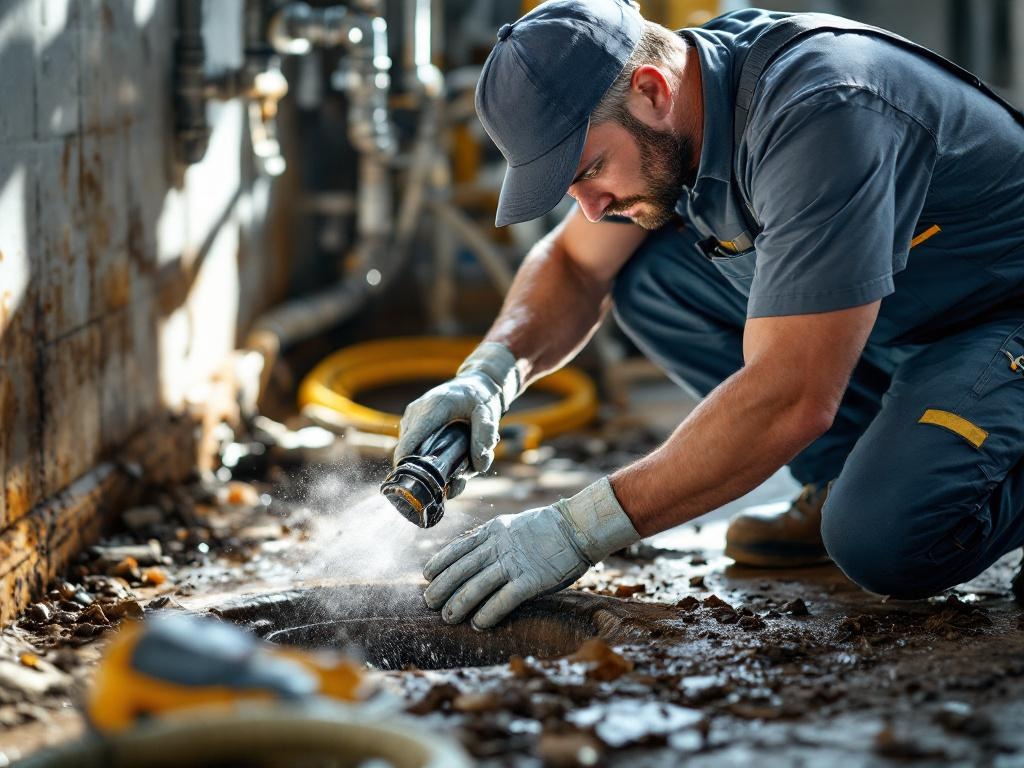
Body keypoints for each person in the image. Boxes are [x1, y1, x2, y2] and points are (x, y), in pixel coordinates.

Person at [395, 0, 1024, 630]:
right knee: (646, 274)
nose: (588, 207)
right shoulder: (687, 98)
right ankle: (843, 473)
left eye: (590, 171)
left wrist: (575, 529)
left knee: (885, 539)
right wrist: (488, 374)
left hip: (1000, 320)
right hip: (905, 317)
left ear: (649, 90)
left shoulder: (823, 111)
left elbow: (791, 394)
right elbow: (576, 266)